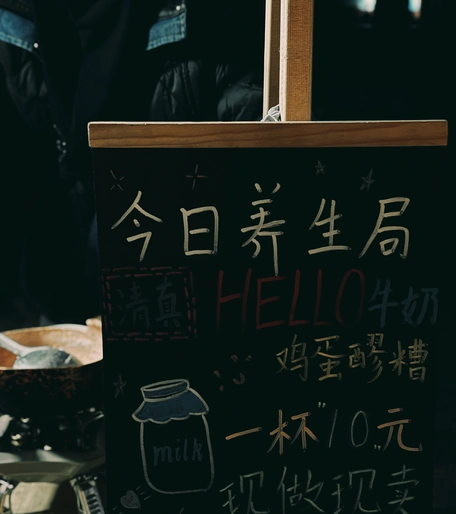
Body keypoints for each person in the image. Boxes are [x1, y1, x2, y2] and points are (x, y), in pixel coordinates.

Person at [0, 0, 264, 326]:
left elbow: (256, 168)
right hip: (57, 277)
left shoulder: (207, 16)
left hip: (177, 291)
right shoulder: (17, 13)